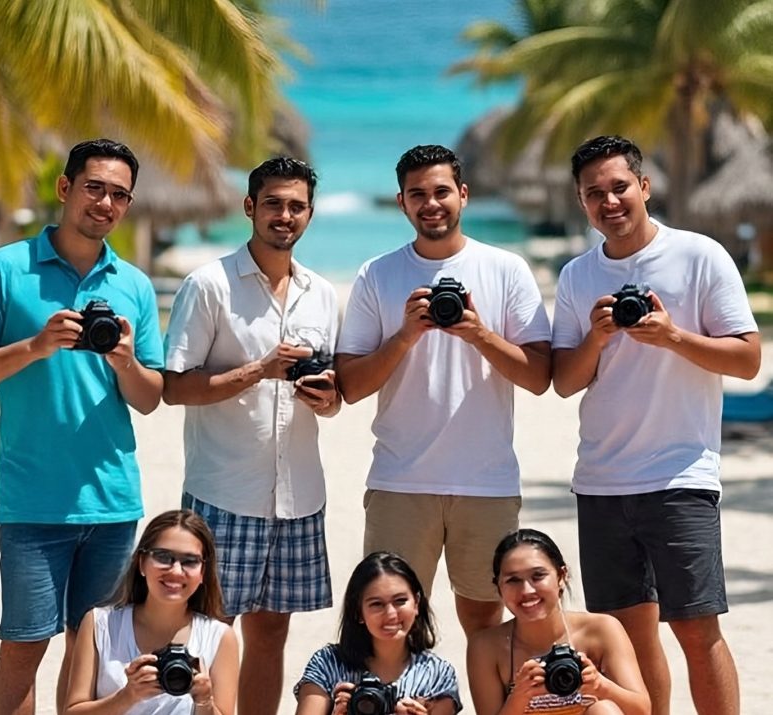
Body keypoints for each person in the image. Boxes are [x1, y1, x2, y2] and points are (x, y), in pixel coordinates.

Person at [552, 135, 761, 715]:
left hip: (682, 477)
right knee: (629, 639)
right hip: (600, 482)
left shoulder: (700, 256)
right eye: (594, 194)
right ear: (581, 201)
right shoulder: (575, 276)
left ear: (644, 187)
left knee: (697, 632)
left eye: (619, 187)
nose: (609, 201)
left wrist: (671, 336)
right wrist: (597, 336)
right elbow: (565, 381)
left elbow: (747, 359)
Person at [0, 138, 164, 715]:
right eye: (94, 187)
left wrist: (125, 361)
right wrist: (35, 345)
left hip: (112, 503)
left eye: (119, 194)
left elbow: (151, 400)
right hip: (32, 500)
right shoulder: (5, 268)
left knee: (92, 656)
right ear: (65, 188)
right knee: (22, 649)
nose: (104, 202)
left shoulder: (134, 284)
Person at [335, 144, 552, 636]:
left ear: (464, 195)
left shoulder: (506, 269)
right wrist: (406, 335)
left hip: (487, 482)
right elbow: (350, 385)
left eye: (441, 192)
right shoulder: (377, 274)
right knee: (390, 625)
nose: (431, 204)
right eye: (418, 195)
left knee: (486, 624)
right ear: (401, 203)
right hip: (399, 482)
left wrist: (478, 333)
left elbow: (540, 377)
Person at [163, 157, 341, 715]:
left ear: (309, 215)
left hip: (297, 497)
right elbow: (176, 387)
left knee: (271, 637)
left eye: (295, 206)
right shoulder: (208, 284)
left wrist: (329, 398)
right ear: (250, 207)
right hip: (223, 494)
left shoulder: (322, 293)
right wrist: (258, 370)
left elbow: (332, 398)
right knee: (205, 636)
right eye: (273, 204)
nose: (284, 215)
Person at [65, 509, 238, 714]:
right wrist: (127, 696)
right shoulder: (99, 623)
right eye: (163, 557)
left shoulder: (219, 637)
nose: (175, 570)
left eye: (189, 561)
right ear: (141, 563)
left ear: (203, 573)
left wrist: (204, 701)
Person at [467, 529, 650, 715]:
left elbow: (642, 710)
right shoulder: (486, 646)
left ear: (561, 576)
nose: (527, 590)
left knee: (604, 710)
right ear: (498, 587)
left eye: (538, 576)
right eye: (513, 580)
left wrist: (601, 686)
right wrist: (520, 696)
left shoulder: (601, 630)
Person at [294, 551, 462, 715]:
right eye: (377, 604)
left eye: (400, 601)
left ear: (416, 603)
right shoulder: (327, 664)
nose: (391, 614)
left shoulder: (437, 674)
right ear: (358, 612)